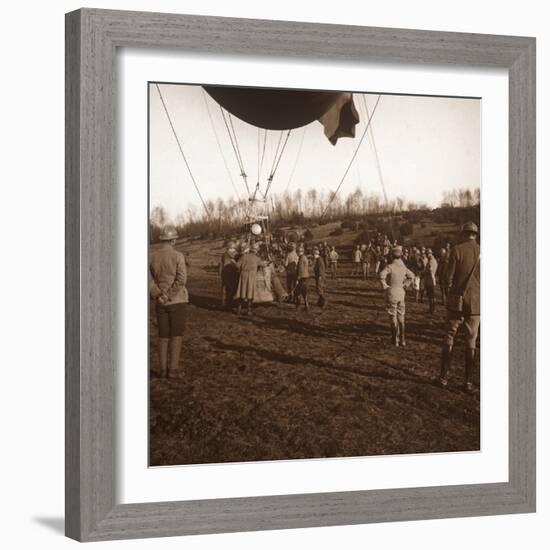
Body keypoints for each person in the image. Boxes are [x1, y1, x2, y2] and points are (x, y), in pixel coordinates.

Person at [438, 222, 481, 392]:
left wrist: (449, 291)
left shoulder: (456, 250)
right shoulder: (483, 251)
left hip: (457, 301)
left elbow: (447, 279)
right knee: (471, 341)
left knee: (450, 336)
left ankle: (443, 377)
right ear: (475, 235)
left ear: (464, 234)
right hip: (477, 303)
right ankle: (468, 382)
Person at [149, 225, 189, 378]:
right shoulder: (178, 256)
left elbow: (149, 280)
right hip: (177, 301)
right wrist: (169, 295)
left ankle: (162, 370)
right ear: (173, 240)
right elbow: (181, 280)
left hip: (160, 302)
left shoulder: (152, 256)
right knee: (176, 335)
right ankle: (173, 370)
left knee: (163, 336)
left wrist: (159, 294)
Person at [379, 245, 415, 347]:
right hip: (401, 292)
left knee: (392, 316)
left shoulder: (390, 266)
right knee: (401, 316)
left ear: (392, 256)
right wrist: (405, 285)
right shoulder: (403, 267)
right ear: (400, 256)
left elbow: (381, 275)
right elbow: (411, 276)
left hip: (392, 292)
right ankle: (403, 339)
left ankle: (395, 339)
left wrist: (385, 286)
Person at [235, 242, 263, 316]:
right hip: (251, 276)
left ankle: (239, 310)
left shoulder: (243, 257)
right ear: (256, 251)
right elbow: (263, 264)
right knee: (250, 294)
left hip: (243, 276)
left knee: (242, 292)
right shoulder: (257, 258)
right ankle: (249, 311)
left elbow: (237, 266)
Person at [219, 241, 239, 310]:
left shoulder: (224, 254)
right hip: (232, 273)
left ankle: (225, 304)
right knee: (232, 289)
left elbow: (221, 265)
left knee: (226, 289)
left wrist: (220, 274)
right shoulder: (235, 254)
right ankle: (229, 305)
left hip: (225, 273)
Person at [423, 248, 438, 314]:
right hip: (430, 280)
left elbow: (430, 271)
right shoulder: (432, 260)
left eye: (427, 254)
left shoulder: (431, 261)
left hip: (430, 280)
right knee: (431, 296)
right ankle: (431, 309)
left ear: (430, 254)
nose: (426, 255)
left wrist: (424, 273)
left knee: (431, 296)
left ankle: (432, 309)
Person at [295, 244, 310, 310]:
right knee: (304, 292)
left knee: (297, 292)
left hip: (301, 278)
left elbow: (300, 269)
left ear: (300, 252)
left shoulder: (301, 259)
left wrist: (298, 279)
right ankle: (307, 305)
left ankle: (298, 306)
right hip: (306, 277)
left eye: (297, 252)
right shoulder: (305, 257)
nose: (297, 253)